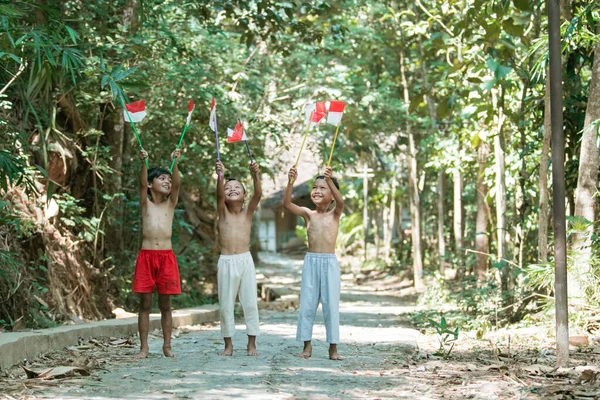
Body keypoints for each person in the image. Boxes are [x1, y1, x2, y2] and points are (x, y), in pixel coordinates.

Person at [283, 166, 344, 360]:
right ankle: (306, 346)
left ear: (332, 195)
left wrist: (331, 181)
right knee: (307, 304)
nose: (317, 190)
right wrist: (291, 182)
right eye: (315, 187)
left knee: (331, 305)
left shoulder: (335, 213)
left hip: (329, 262)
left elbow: (341, 200)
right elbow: (286, 204)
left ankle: (333, 348)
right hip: (311, 262)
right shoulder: (308, 214)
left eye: (323, 188)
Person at [132, 148, 181, 359]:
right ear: (151, 184)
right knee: (144, 304)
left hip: (166, 257)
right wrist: (144, 162)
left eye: (168, 180)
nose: (168, 182)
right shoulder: (146, 204)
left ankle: (167, 345)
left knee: (166, 305)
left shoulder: (171, 203)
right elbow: (142, 184)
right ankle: (144, 347)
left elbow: (178, 185)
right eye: (162, 178)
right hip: (147, 256)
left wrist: (175, 163)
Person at [215, 160, 262, 356]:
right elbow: (218, 194)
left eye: (237, 188)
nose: (232, 189)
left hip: (245, 261)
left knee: (250, 302)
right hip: (226, 262)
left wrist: (255, 175)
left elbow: (258, 194)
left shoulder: (247, 213)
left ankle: (252, 343)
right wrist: (220, 176)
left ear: (244, 195)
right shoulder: (222, 212)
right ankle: (228, 344)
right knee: (226, 304)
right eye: (228, 188)